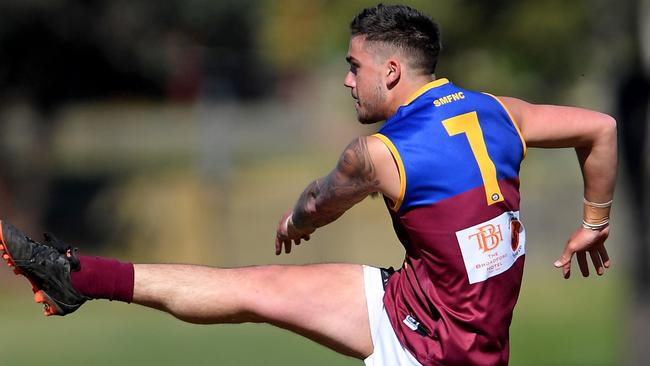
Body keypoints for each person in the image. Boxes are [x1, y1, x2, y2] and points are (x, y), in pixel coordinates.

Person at [0, 4, 616, 366]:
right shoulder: (500, 110)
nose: (348, 81)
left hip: (436, 352)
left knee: (255, 292)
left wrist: (297, 222)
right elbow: (601, 129)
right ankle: (79, 277)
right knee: (256, 290)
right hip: (418, 305)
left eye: (355, 66)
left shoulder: (379, 153)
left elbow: (321, 199)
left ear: (393, 70)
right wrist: (594, 222)